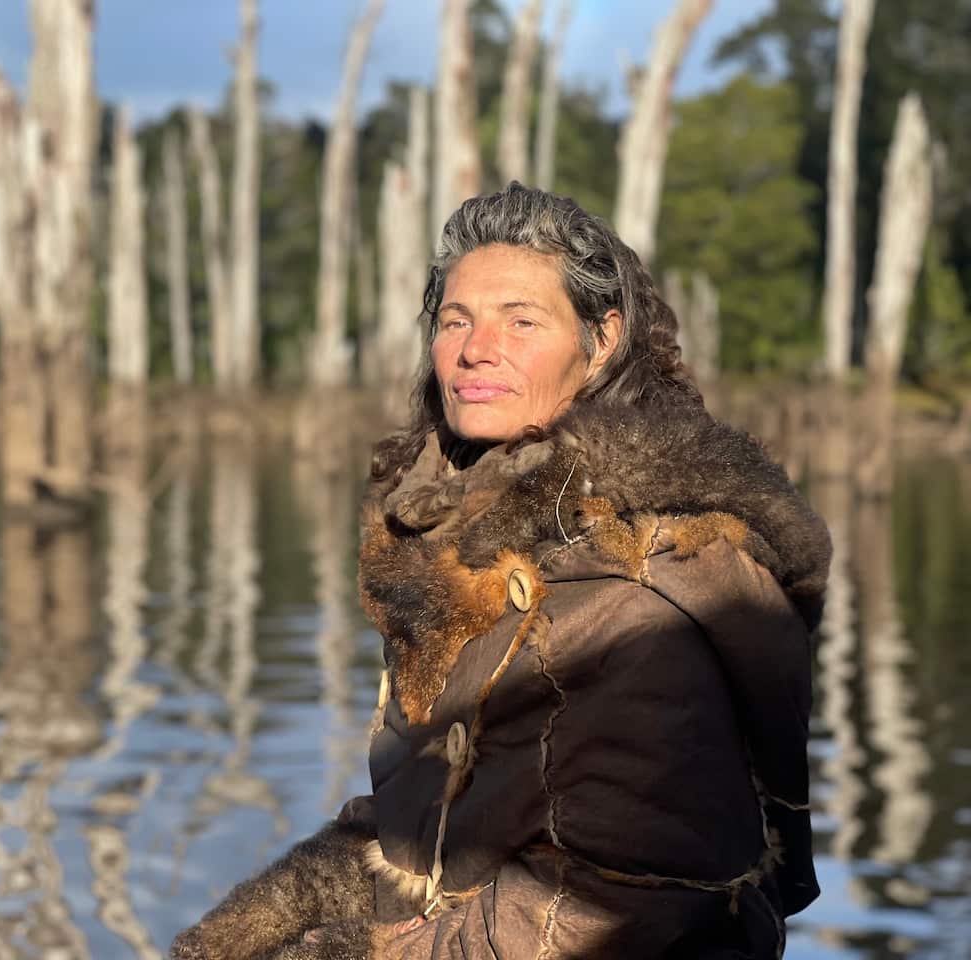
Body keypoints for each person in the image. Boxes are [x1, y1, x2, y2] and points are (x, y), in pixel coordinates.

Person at [171, 184, 831, 959]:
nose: (475, 349)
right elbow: (420, 833)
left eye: (521, 321)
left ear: (603, 339)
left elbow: (621, 906)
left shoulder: (645, 592)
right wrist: (241, 936)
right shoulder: (474, 546)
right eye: (455, 320)